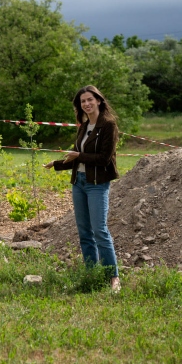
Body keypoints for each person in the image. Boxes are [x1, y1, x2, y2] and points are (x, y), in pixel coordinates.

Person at [44, 85, 121, 291]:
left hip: (97, 184)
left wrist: (78, 156)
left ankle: (113, 277)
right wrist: (58, 163)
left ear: (98, 100)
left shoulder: (109, 126)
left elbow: (104, 159)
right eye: (82, 101)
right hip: (79, 183)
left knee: (99, 230)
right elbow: (77, 159)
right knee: (84, 232)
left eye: (89, 99)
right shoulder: (84, 126)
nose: (86, 104)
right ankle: (91, 273)